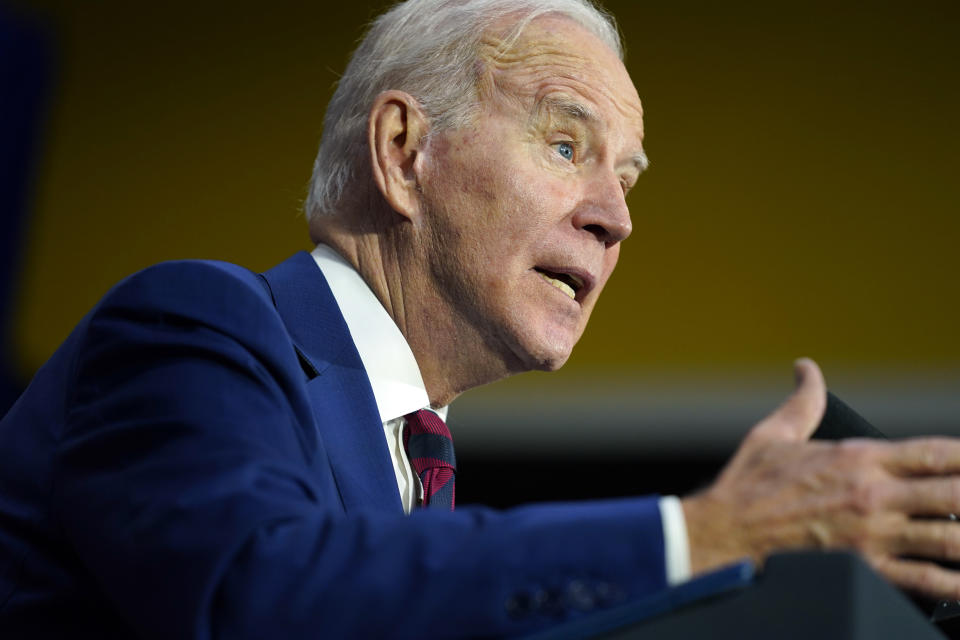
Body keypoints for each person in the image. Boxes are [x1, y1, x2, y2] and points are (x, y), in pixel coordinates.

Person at [1, 0, 959, 637]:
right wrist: (709, 534)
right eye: (563, 143)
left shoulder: (419, 468)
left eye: (625, 182)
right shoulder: (193, 329)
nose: (615, 218)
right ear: (403, 150)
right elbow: (261, 594)